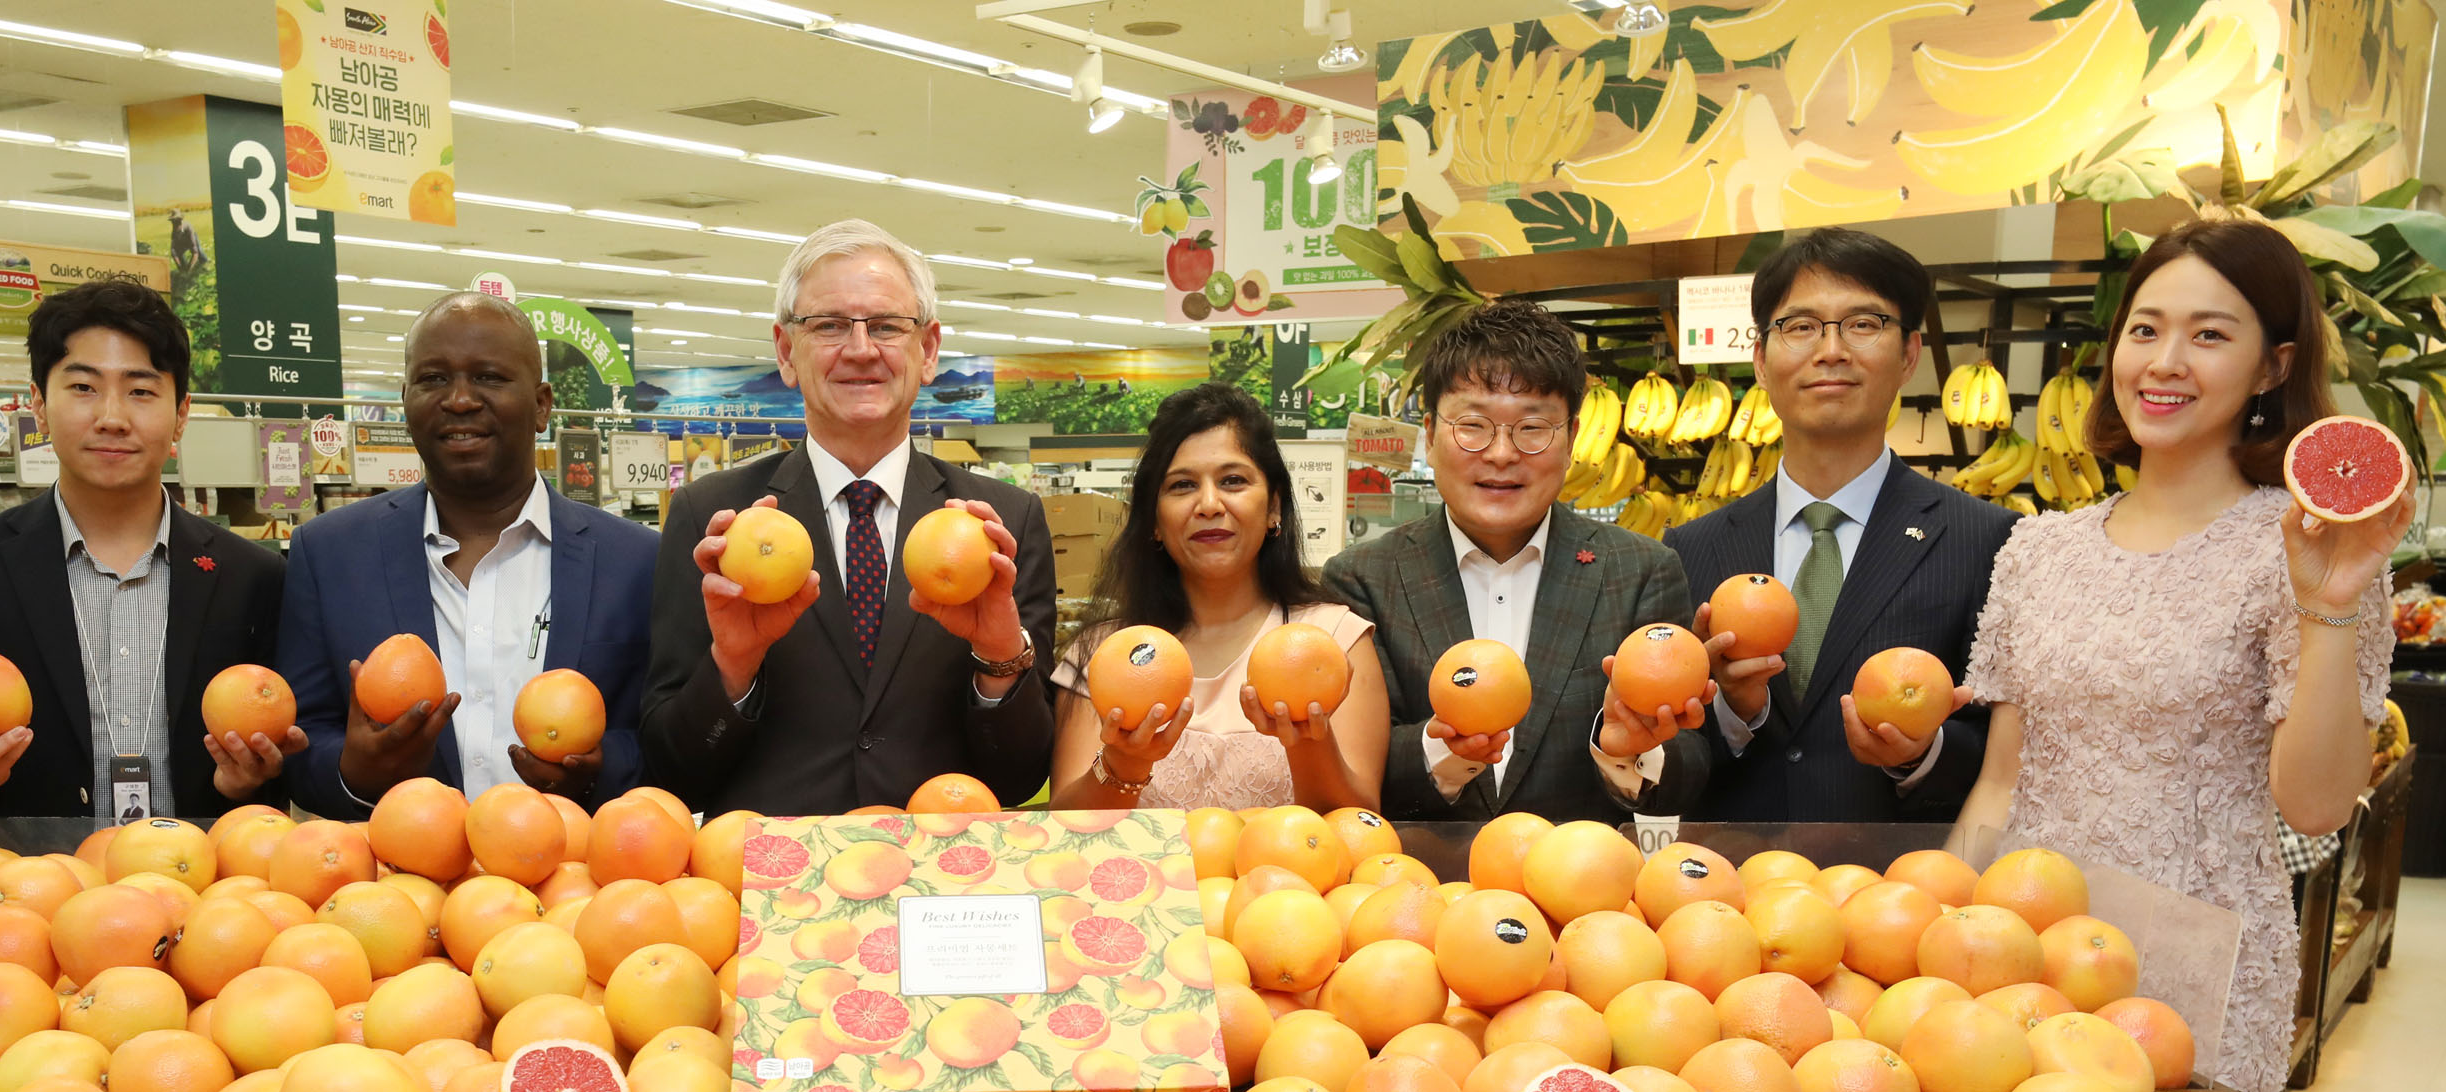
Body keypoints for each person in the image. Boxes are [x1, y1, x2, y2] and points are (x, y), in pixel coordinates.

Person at [1956, 217, 2402, 1092]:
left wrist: (2330, 605)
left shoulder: (2307, 548)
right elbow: (2001, 782)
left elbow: (2318, 805)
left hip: (2201, 967)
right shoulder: (2038, 549)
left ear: (2274, 367)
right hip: (2029, 953)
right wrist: (1949, 927)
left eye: (2209, 334)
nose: (2165, 362)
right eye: (2146, 329)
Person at [638, 220, 1057, 815]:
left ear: (928, 350)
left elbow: (1019, 777)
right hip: (771, 867)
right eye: (829, 325)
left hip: (939, 863)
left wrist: (998, 657)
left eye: (886, 326)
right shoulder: (713, 521)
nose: (861, 350)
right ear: (786, 351)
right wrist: (732, 666)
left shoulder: (1004, 525)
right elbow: (672, 773)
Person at [0, 279, 295, 824]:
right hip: (33, 875)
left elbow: (279, 763)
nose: (112, 417)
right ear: (39, 406)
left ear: (181, 414)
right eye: (84, 387)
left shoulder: (251, 575)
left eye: (141, 391)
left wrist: (248, 783)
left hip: (200, 872)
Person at [1665, 227, 2018, 819]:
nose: (1831, 350)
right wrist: (1733, 710)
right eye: (1800, 326)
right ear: (1760, 360)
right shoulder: (1689, 548)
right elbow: (1668, 754)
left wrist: (1921, 754)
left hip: (1907, 874)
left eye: (1862, 324)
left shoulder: (1989, 541)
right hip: (1732, 875)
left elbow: (2007, 750)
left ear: (1909, 355)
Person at [1330, 297, 1712, 820]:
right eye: (1473, 425)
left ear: (1572, 438)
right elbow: (1353, 771)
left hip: (1584, 871)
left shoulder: (1641, 571)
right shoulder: (1362, 580)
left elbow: (1691, 764)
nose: (1502, 454)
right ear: (1431, 434)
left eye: (1532, 428)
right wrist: (1444, 750)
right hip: (1417, 871)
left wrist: (1626, 751)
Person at [280, 291, 657, 815]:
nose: (459, 400)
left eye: (489, 377)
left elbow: (662, 737)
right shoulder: (329, 554)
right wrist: (353, 772)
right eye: (433, 378)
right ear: (405, 398)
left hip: (574, 860)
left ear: (542, 404)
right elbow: (299, 736)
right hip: (398, 862)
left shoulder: (638, 561)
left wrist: (598, 771)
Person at [1049, 381, 1386, 810]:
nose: (1209, 504)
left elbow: (1357, 824)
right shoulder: (1103, 654)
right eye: (1182, 485)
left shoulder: (1334, 643)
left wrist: (1307, 743)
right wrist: (1124, 763)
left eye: (1233, 481)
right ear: (1154, 521)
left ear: (1274, 507)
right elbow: (1068, 828)